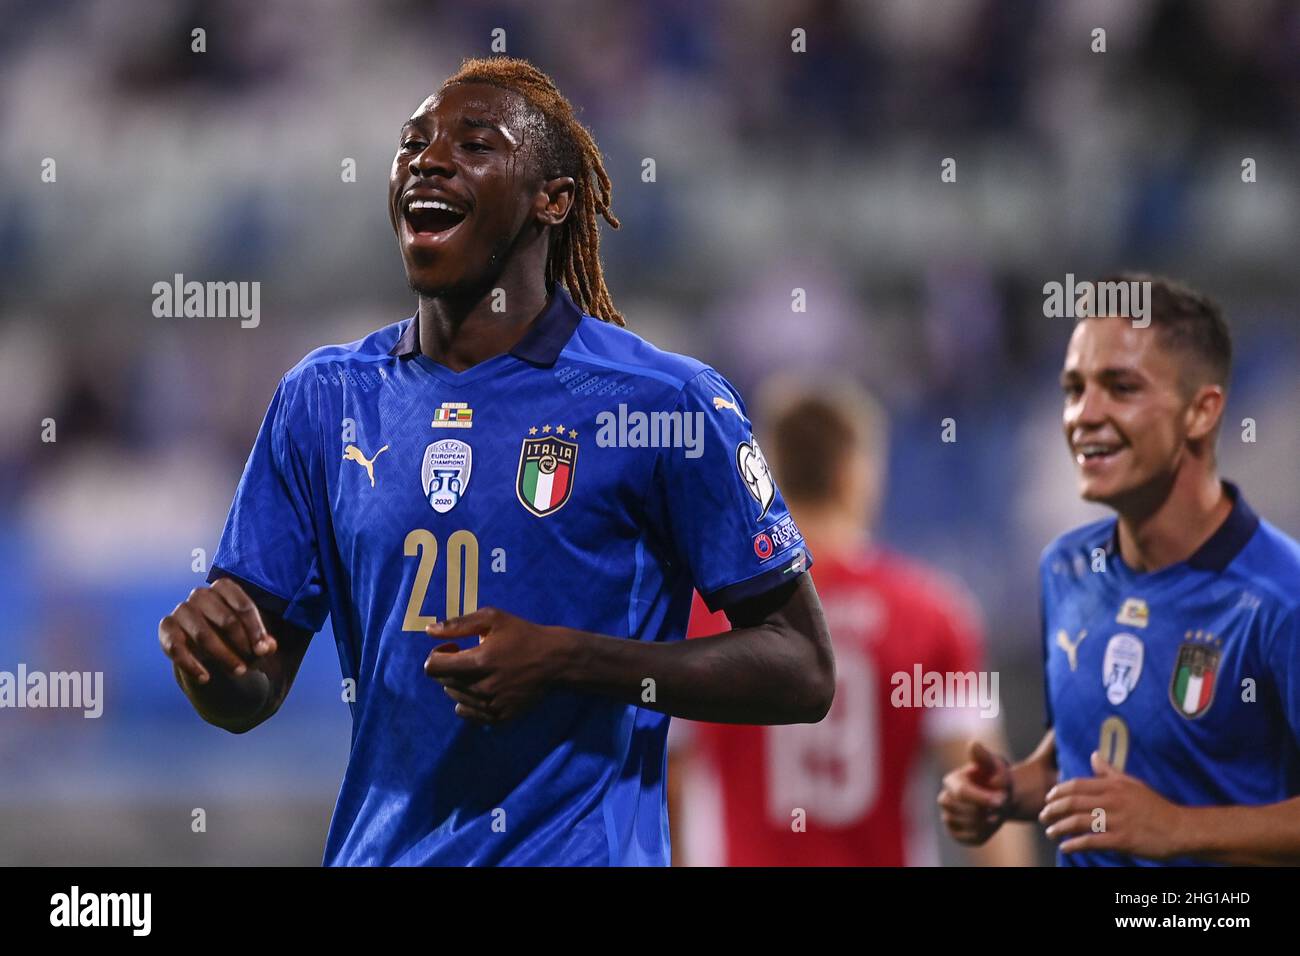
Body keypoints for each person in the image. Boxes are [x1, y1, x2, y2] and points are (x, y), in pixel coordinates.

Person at [157, 56, 833, 866]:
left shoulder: (663, 403)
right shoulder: (323, 399)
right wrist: (213, 664)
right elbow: (251, 695)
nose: (429, 161)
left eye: (474, 144)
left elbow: (802, 669)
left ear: (554, 200)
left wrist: (569, 659)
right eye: (412, 146)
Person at [939, 274, 1300, 865]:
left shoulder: (1280, 598)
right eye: (1073, 388)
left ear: (1202, 412)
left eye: (1121, 387)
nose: (1084, 414)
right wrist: (1009, 788)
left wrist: (1179, 828)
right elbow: (1089, 754)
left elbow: (1158, 818)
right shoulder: (1067, 569)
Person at [672, 376, 1032, 866]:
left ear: (768, 475)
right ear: (853, 472)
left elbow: (665, 792)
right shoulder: (933, 613)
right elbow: (986, 791)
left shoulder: (702, 616)